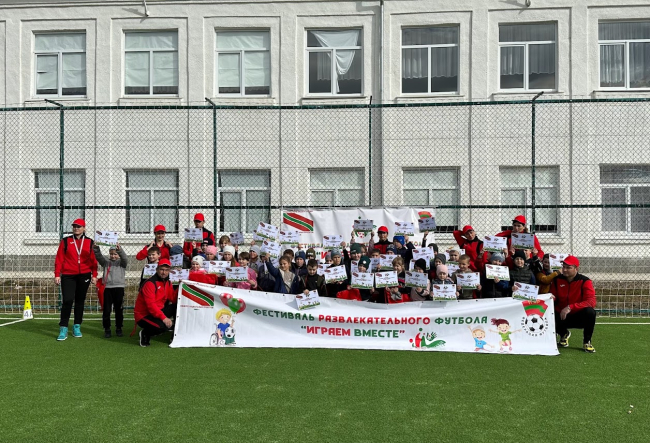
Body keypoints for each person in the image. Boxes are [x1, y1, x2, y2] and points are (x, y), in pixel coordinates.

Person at [54, 218, 98, 340]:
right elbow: (59, 258)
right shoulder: (66, 241)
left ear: (84, 228)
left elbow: (93, 260)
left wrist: (94, 275)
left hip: (84, 274)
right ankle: (63, 327)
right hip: (68, 275)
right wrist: (57, 274)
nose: (76, 228)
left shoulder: (90, 242)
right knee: (67, 300)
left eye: (78, 226)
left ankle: (77, 326)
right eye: (74, 226)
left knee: (80, 301)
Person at [550, 255, 597, 353]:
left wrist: (570, 307)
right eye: (563, 267)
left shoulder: (585, 281)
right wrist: (550, 298)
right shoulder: (557, 280)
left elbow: (591, 302)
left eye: (568, 268)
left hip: (578, 315)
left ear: (576, 269)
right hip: (561, 315)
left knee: (590, 312)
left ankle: (587, 341)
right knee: (549, 310)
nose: (565, 270)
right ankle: (563, 333)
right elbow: (553, 296)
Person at [134, 259, 177, 347]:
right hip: (144, 315)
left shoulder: (168, 282)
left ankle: (175, 334)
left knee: (176, 307)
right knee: (162, 327)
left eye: (166, 270)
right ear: (157, 269)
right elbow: (151, 305)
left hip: (158, 311)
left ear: (169, 271)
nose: (164, 272)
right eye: (162, 269)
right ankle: (145, 333)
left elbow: (173, 298)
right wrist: (164, 318)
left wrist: (180, 286)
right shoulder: (150, 283)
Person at [94, 243, 128, 338]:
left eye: (115, 254)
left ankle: (119, 328)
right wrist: (96, 248)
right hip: (108, 288)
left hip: (119, 288)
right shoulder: (106, 263)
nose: (113, 256)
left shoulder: (122, 263)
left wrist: (120, 250)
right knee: (107, 310)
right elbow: (99, 257)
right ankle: (107, 329)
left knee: (119, 310)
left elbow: (125, 258)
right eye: (111, 254)